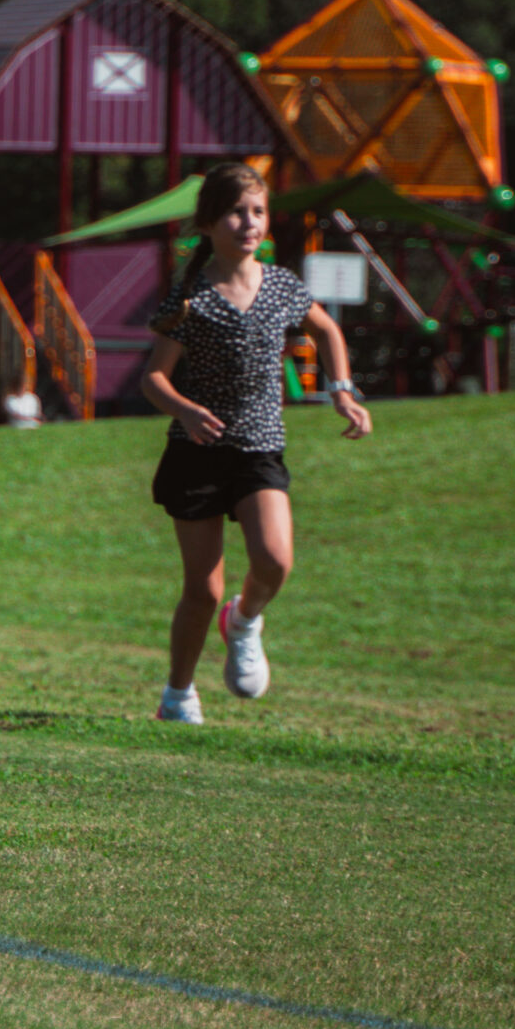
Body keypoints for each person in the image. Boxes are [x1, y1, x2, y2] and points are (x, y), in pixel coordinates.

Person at [141, 161, 372, 724]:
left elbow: (326, 330)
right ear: (208, 223)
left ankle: (243, 620)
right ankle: (178, 696)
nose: (249, 223)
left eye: (258, 211)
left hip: (260, 449)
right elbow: (154, 379)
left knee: (275, 560)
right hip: (197, 454)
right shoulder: (190, 297)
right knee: (203, 590)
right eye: (236, 212)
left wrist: (342, 391)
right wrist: (185, 410)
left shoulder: (282, 287)